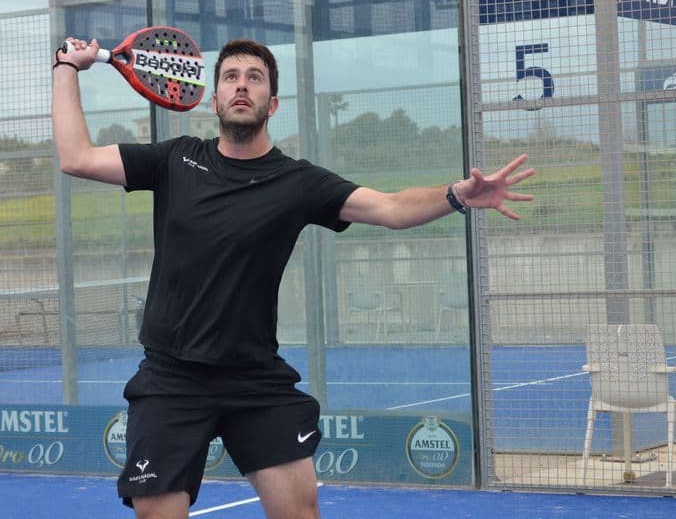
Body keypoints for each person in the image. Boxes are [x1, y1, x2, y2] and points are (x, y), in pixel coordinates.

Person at [51, 36, 534, 519]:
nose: (242, 86)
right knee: (157, 512)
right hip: (171, 377)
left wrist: (457, 195)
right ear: (215, 99)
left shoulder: (298, 182)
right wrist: (67, 67)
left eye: (254, 78)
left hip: (253, 378)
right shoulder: (175, 159)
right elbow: (77, 157)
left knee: (299, 512)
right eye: (231, 78)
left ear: (273, 103)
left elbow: (390, 208)